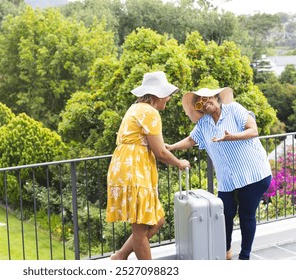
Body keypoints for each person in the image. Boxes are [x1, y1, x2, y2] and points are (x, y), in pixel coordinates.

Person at [166, 87, 272, 260]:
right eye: (199, 102)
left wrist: (232, 137)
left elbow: (253, 130)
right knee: (225, 215)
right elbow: (191, 140)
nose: (204, 103)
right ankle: (225, 251)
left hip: (253, 174)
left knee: (246, 215)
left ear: (216, 97)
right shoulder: (204, 123)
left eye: (207, 98)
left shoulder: (234, 109)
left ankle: (244, 257)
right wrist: (171, 147)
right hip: (228, 180)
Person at [106, 71, 191, 260]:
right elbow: (160, 152)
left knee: (157, 221)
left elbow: (151, 144)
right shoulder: (150, 112)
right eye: (167, 95)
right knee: (140, 229)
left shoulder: (135, 108)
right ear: (157, 95)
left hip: (125, 166)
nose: (168, 99)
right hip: (134, 170)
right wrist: (179, 163)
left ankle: (120, 256)